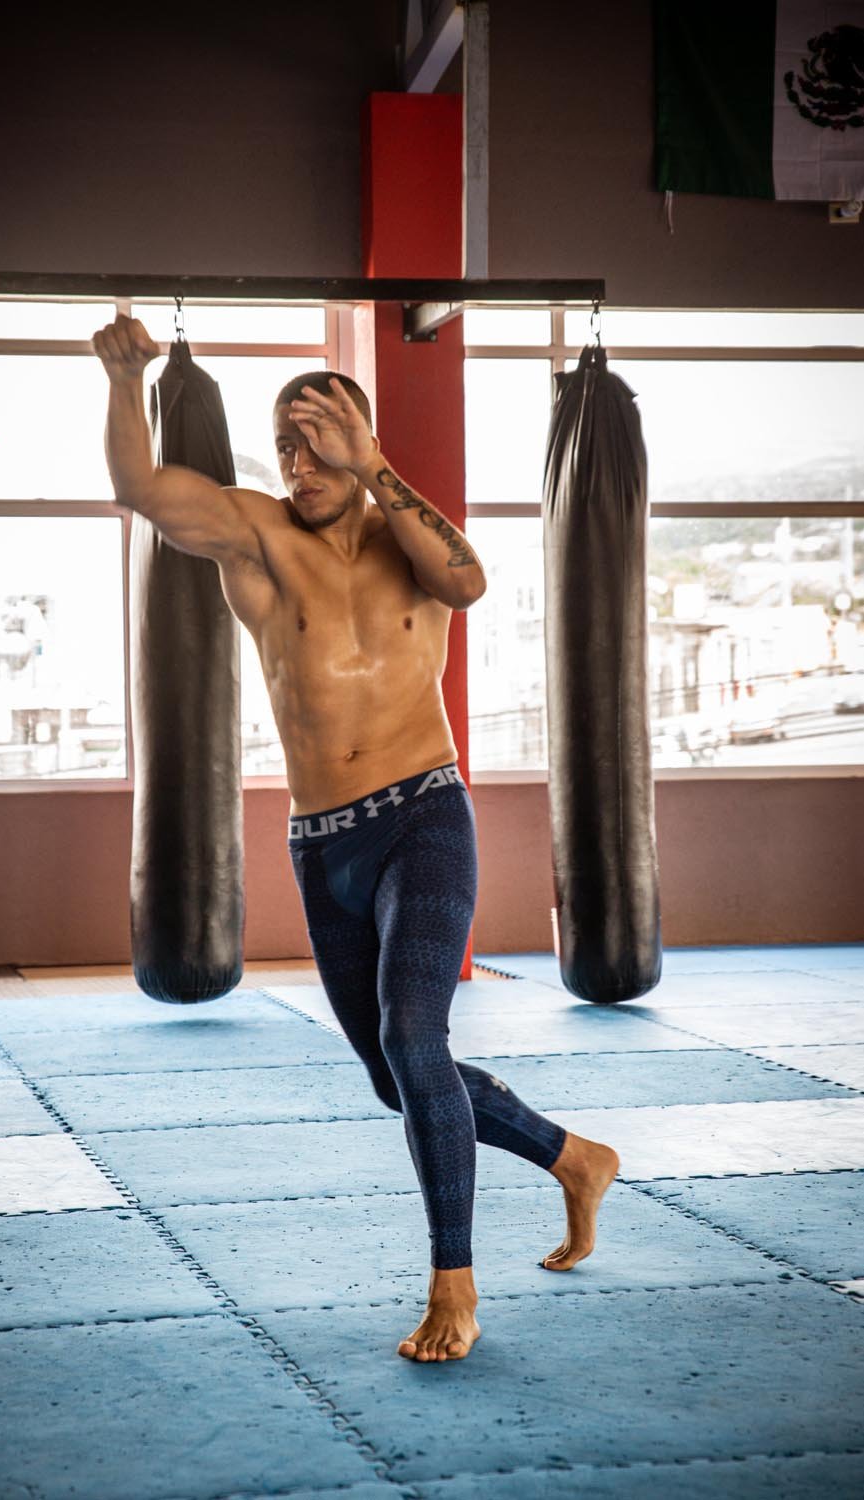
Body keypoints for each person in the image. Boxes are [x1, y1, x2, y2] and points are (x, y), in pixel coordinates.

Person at [93, 313, 620, 1363]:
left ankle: (452, 1288)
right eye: (285, 443)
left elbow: (467, 582)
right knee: (394, 1074)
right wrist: (121, 380)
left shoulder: (409, 541)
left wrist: (375, 473)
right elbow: (142, 491)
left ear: (362, 443)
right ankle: (570, 1157)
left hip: (421, 817)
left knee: (412, 1041)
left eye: (320, 439)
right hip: (319, 843)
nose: (300, 461)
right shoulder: (256, 532)